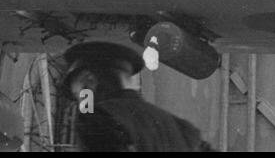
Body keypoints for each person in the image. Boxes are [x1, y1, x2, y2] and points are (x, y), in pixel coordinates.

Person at [62, 41, 215, 152]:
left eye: (79, 94)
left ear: (90, 80)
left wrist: (85, 96)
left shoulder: (95, 119)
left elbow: (88, 118)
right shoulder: (179, 126)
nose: (81, 100)